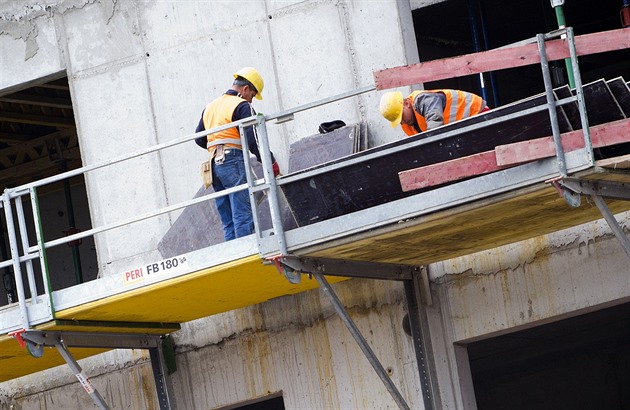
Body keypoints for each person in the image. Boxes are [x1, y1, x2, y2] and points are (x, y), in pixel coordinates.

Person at [194, 67, 280, 241]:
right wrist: (270, 161)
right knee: (243, 214)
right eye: (253, 95)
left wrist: (217, 145)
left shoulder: (210, 107)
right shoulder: (241, 105)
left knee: (228, 220)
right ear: (245, 89)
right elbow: (253, 141)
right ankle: (247, 252)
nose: (252, 100)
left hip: (215, 167)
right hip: (232, 162)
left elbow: (199, 137)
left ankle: (233, 254)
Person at [379, 89, 488, 136]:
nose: (402, 122)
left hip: (478, 113)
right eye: (399, 121)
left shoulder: (422, 100)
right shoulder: (408, 126)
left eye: (401, 116)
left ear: (406, 103)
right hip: (465, 129)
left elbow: (434, 119)